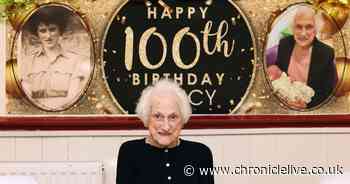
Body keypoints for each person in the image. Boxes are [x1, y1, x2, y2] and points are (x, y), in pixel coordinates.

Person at [116, 79, 214, 184]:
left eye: (173, 117)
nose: (166, 126)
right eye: (158, 116)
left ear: (183, 119)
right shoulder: (130, 152)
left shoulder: (201, 153)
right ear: (146, 117)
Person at [20, 6, 89, 110]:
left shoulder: (76, 60)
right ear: (37, 34)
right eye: (43, 31)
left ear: (60, 31)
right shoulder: (28, 62)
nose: (48, 36)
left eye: (52, 29)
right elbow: (27, 96)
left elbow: (73, 96)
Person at [267, 6, 336, 109]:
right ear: (293, 28)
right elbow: (279, 72)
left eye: (309, 27)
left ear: (316, 29)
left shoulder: (326, 53)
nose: (303, 33)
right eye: (299, 27)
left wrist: (306, 105)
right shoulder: (284, 44)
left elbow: (327, 92)